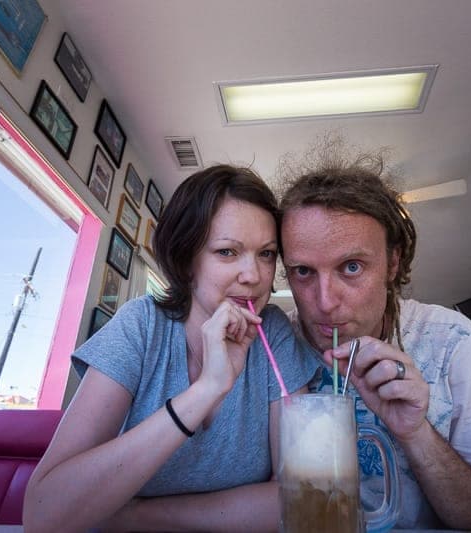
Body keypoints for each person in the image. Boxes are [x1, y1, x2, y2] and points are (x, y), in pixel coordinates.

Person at [24, 164, 318, 532]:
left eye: (266, 253)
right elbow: (43, 513)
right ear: (186, 262)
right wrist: (206, 390)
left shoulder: (272, 331)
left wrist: (136, 515)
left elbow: (299, 499)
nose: (255, 276)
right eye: (227, 252)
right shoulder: (141, 327)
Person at [277, 143, 471, 530]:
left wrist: (416, 433)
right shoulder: (274, 345)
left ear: (393, 262)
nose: (325, 302)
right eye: (302, 271)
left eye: (351, 266)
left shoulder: (452, 342)